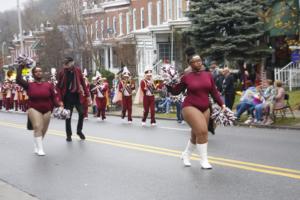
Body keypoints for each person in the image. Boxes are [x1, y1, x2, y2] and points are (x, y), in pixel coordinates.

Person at [167, 50, 225, 169]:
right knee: (203, 131)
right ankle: (204, 161)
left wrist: (222, 104)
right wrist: (168, 83)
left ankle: (186, 155)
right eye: (196, 61)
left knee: (196, 135)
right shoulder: (186, 77)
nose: (199, 63)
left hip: (205, 107)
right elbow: (176, 91)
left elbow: (213, 91)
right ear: (190, 64)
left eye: (200, 60)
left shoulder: (208, 75)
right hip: (190, 106)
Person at [16, 59, 60, 156]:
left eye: (40, 71)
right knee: (37, 126)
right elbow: (18, 79)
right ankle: (40, 149)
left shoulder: (48, 85)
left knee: (43, 129)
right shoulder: (29, 85)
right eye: (36, 71)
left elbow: (53, 98)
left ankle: (37, 144)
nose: (38, 73)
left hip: (47, 110)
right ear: (33, 74)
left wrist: (60, 107)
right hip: (34, 108)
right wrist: (21, 67)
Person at [56, 57, 91, 142]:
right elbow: (58, 87)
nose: (65, 65)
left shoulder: (77, 70)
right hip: (67, 97)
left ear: (72, 63)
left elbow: (82, 82)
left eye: (67, 63)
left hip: (76, 96)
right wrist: (60, 100)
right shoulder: (62, 73)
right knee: (68, 116)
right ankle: (69, 135)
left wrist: (88, 95)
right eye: (65, 64)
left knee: (82, 113)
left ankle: (79, 131)